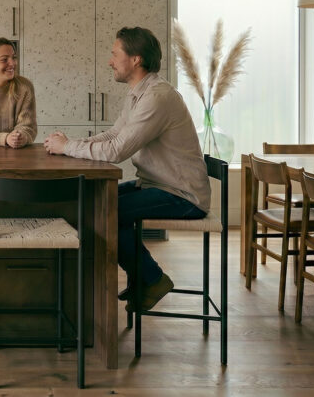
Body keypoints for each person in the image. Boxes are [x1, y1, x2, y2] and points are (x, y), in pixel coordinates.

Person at [43, 26, 211, 312]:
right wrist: (71, 143)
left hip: (182, 195)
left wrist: (68, 147)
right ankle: (142, 280)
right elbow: (113, 135)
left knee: (105, 211)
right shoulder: (138, 94)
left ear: (135, 59)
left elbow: (116, 151)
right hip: (157, 185)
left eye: (114, 54)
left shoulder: (157, 97)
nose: (110, 61)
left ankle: (152, 279)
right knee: (95, 202)